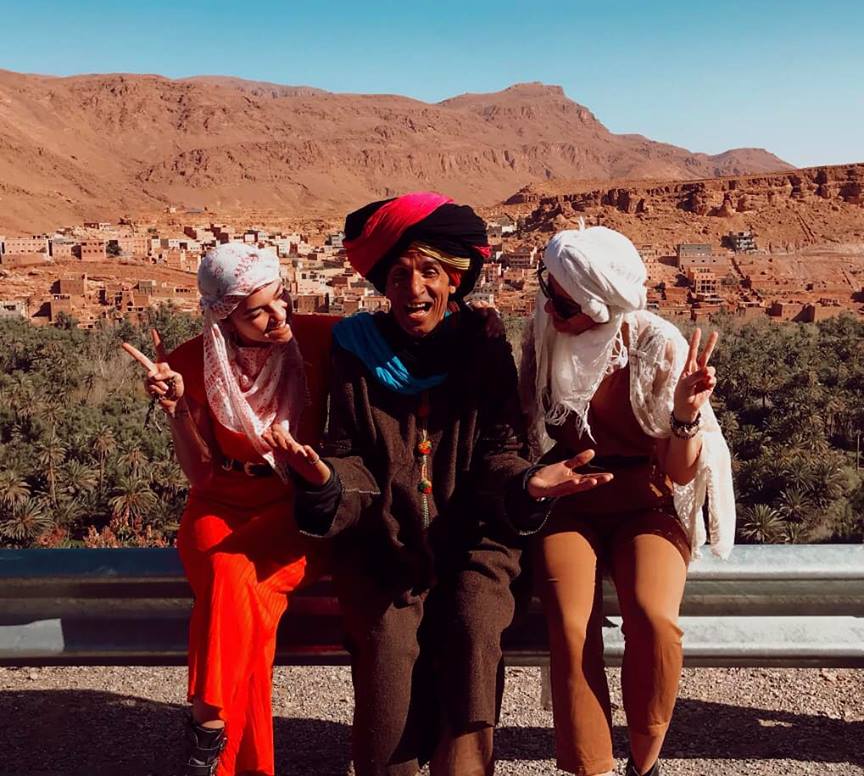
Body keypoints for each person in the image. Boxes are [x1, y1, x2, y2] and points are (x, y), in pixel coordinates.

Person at [273, 193, 609, 776]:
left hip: (476, 541)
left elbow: (501, 450)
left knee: (473, 627)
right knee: (387, 653)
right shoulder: (357, 349)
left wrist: (528, 486)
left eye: (429, 272)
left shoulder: (482, 346)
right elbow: (351, 458)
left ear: (454, 279)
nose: (414, 289)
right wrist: (326, 483)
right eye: (398, 275)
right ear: (383, 283)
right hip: (385, 544)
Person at [521, 225, 735, 776]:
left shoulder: (654, 344)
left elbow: (680, 471)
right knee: (571, 627)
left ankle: (645, 761)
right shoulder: (543, 333)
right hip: (569, 502)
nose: (550, 308)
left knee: (654, 619)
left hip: (646, 504)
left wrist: (684, 414)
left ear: (601, 307)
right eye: (548, 291)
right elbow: (524, 429)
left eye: (565, 304)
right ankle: (590, 766)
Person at [122, 243, 334, 776]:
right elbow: (201, 475)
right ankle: (224, 749)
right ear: (224, 317)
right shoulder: (190, 362)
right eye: (257, 311)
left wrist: (474, 324)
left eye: (281, 298)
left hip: (294, 513)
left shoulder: (319, 339)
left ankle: (208, 734)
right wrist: (177, 411)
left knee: (231, 583)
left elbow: (400, 335)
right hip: (218, 508)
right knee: (230, 580)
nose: (278, 316)